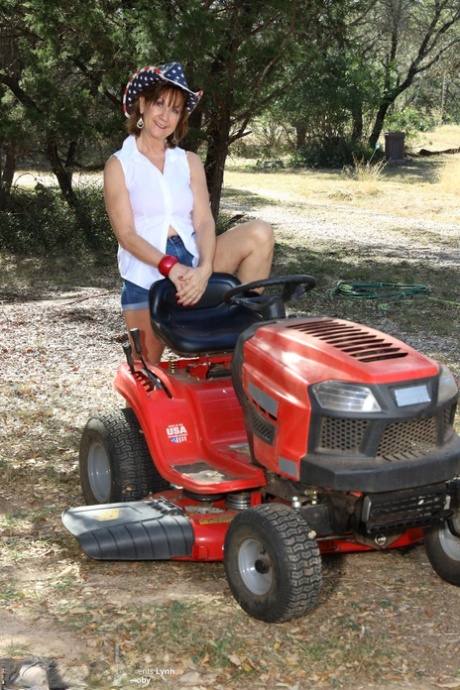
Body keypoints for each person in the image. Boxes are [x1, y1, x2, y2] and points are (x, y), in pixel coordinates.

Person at [104, 62, 274, 363]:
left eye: (176, 109)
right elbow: (127, 235)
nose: (165, 116)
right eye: (160, 104)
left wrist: (205, 267)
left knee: (260, 233)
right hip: (147, 271)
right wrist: (172, 268)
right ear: (142, 104)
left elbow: (204, 220)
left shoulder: (188, 161)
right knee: (147, 373)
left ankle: (237, 324)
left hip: (195, 258)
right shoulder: (119, 165)